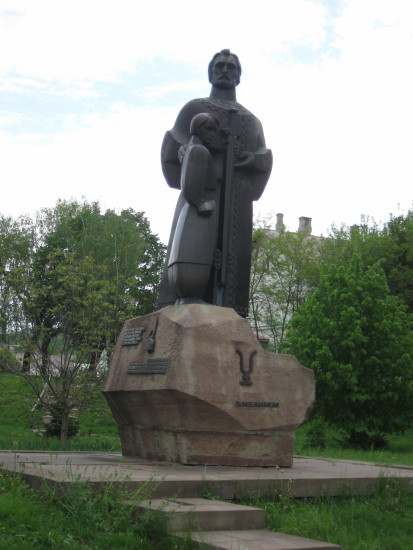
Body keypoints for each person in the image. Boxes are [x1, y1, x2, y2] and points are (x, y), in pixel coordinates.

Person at [157, 49, 272, 317]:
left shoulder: (251, 120)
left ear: (239, 76)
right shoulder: (194, 108)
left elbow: (264, 158)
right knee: (190, 250)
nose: (224, 70)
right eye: (219, 65)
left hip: (236, 200)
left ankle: (228, 318)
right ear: (210, 72)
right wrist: (185, 152)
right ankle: (180, 306)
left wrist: (249, 160)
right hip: (200, 192)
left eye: (231, 67)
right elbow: (172, 147)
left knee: (232, 265)